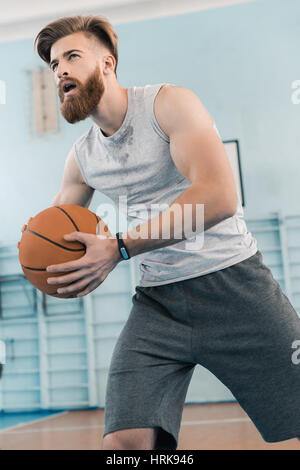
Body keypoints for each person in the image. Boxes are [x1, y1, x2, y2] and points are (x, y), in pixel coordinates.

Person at [30, 14, 300, 450]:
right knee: (124, 444)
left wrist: (118, 247)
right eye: (54, 64)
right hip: (159, 304)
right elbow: (56, 236)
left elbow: (218, 196)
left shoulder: (168, 104)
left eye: (72, 56)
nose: (59, 69)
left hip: (234, 285)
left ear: (107, 64)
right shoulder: (82, 158)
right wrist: (52, 266)